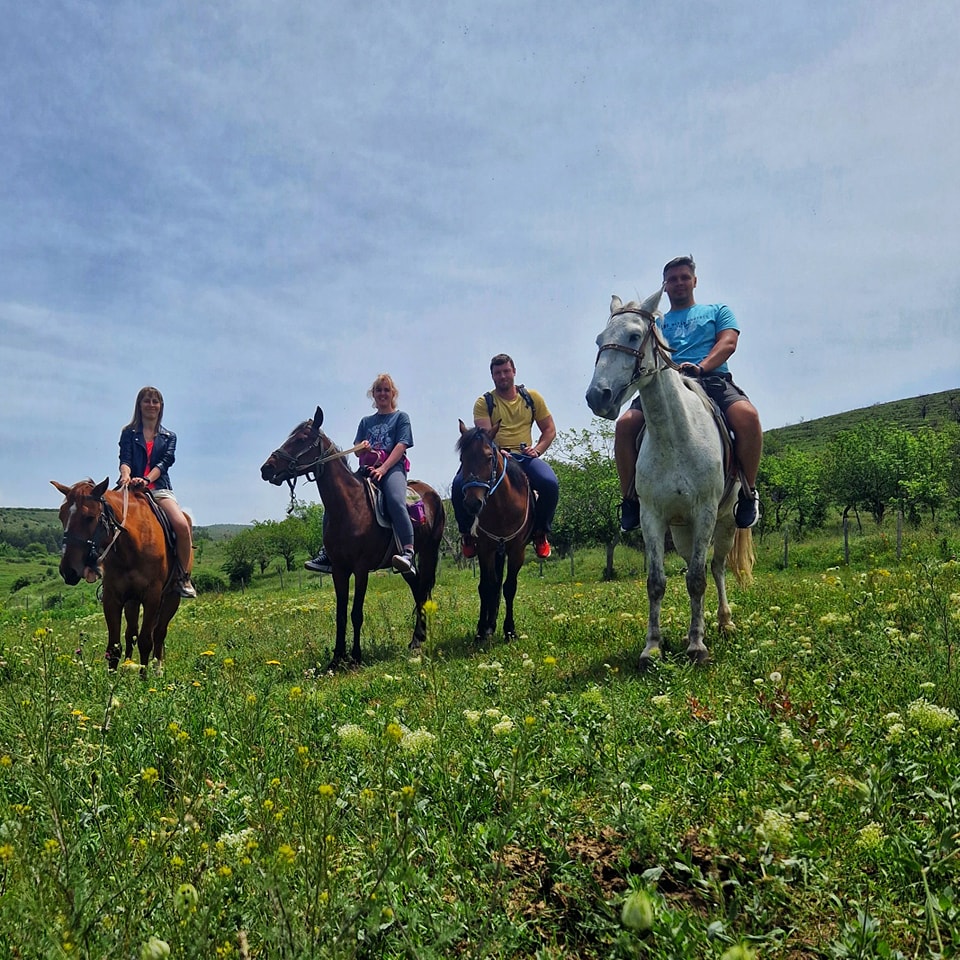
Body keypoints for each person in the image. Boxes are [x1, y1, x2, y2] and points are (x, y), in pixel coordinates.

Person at [615, 255, 763, 532]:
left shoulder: (717, 310)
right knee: (624, 426)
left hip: (711, 379)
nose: (679, 283)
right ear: (665, 287)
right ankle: (630, 499)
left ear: (695, 281)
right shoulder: (656, 323)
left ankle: (747, 493)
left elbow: (728, 342)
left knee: (747, 416)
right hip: (663, 388)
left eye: (684, 277)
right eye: (672, 279)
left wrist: (702, 367)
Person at [305, 373, 418, 576]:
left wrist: (384, 469)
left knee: (394, 499)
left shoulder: (401, 418)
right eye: (378, 390)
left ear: (393, 393)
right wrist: (361, 447)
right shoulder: (366, 421)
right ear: (372, 395)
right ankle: (327, 553)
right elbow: (356, 451)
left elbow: (401, 445)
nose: (382, 393)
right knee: (336, 501)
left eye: (386, 390)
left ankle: (408, 551)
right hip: (366, 470)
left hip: (392, 468)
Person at [452, 353, 559, 560]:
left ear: (514, 372)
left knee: (550, 484)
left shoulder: (532, 398)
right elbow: (485, 437)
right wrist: (496, 452)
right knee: (458, 485)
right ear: (492, 376)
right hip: (493, 457)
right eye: (498, 373)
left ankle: (540, 533)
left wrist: (537, 450)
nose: (502, 376)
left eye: (506, 371)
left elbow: (549, 430)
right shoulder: (484, 402)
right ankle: (467, 533)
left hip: (525, 457)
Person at [118, 386, 196, 598]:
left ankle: (183, 577)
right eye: (147, 400)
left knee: (181, 524)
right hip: (131, 489)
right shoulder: (128, 433)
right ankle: (102, 573)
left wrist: (146, 480)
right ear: (139, 405)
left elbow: (165, 463)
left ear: (161, 407)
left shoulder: (169, 436)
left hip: (158, 488)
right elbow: (124, 459)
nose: (151, 405)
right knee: (104, 518)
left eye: (155, 401)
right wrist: (126, 475)